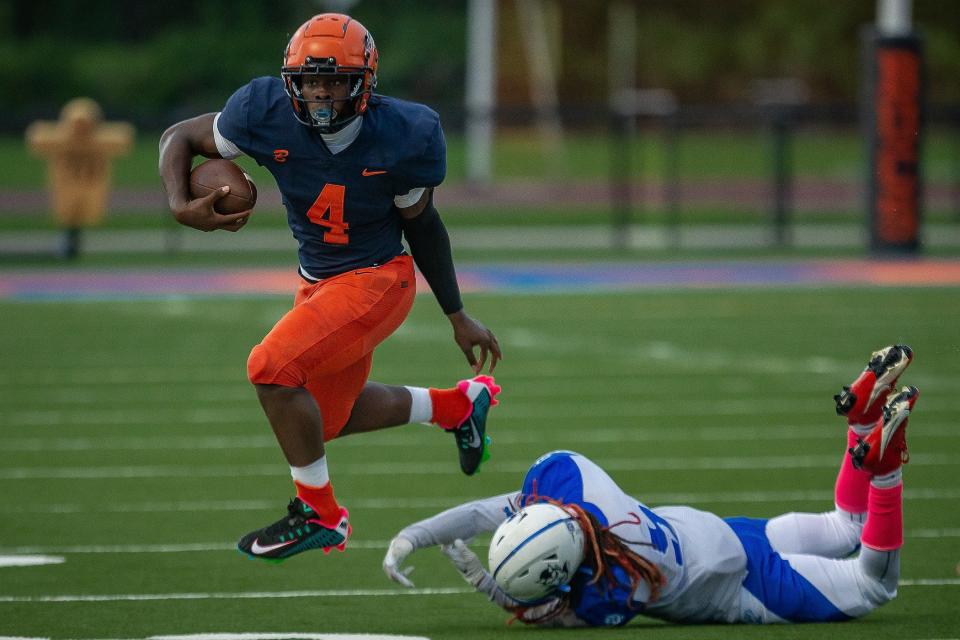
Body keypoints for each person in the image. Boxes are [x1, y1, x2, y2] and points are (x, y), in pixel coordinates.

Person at [158, 13, 502, 562]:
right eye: (310, 80)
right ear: (290, 81)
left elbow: (423, 224)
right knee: (323, 421)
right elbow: (180, 136)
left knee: (270, 369)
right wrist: (179, 203)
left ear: (363, 82)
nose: (321, 91)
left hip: (377, 279)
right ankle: (457, 407)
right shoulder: (264, 111)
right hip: (317, 282)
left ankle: (321, 516)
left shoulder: (404, 134)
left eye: (335, 80)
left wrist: (456, 313)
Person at [383, 345, 917, 626]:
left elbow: (551, 615)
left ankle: (885, 466)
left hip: (740, 585)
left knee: (875, 586)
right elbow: (487, 514)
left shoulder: (615, 589)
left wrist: (489, 587)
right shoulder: (572, 479)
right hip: (717, 533)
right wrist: (415, 535)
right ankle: (862, 424)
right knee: (847, 525)